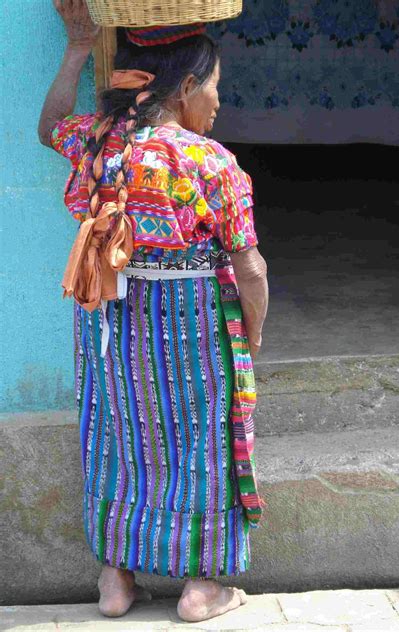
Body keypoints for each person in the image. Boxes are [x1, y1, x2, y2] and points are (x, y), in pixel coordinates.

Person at [38, 0, 268, 623]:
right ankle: (200, 587)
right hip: (192, 319)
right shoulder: (210, 162)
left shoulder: (101, 143)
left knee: (117, 432)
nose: (219, 102)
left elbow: (49, 123)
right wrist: (250, 338)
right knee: (203, 439)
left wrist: (78, 47)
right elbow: (251, 269)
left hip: (109, 315)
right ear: (187, 86)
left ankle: (116, 579)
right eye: (215, 86)